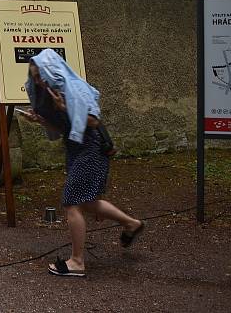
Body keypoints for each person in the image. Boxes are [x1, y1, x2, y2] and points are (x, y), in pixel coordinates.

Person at [18, 48, 144, 278]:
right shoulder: (49, 94)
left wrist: (65, 107)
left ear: (50, 70)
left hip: (91, 147)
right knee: (86, 201)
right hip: (75, 149)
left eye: (40, 74)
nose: (37, 80)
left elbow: (94, 121)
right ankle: (132, 224)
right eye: (34, 75)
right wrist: (40, 120)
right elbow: (63, 129)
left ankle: (77, 261)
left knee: (71, 202)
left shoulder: (74, 88)